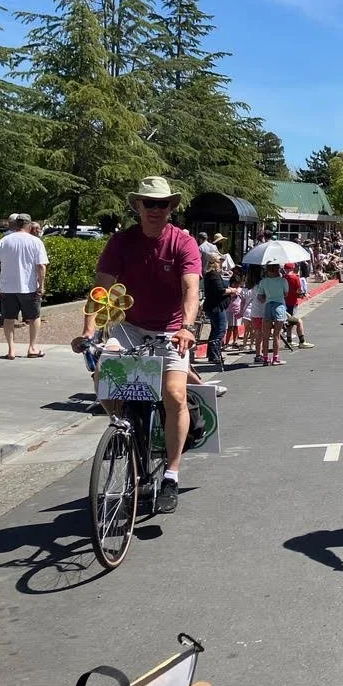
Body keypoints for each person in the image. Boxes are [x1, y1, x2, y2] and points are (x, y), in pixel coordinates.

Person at [83, 176, 201, 513]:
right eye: (149, 203)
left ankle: (172, 475)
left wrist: (187, 327)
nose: (155, 209)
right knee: (103, 377)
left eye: (161, 203)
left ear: (170, 207)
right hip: (129, 326)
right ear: (137, 205)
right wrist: (90, 331)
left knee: (174, 394)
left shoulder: (182, 243)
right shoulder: (121, 242)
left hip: (171, 328)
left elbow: (191, 289)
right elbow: (102, 290)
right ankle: (124, 429)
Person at [0, 213, 50, 360]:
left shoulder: (5, 240)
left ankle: (11, 349)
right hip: (29, 287)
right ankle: (32, 347)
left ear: (15, 224)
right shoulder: (35, 242)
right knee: (34, 317)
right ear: (29, 225)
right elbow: (41, 266)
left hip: (7, 287)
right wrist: (41, 285)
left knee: (8, 318)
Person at [201, 256, 239, 365]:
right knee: (220, 330)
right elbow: (220, 290)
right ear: (214, 263)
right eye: (220, 261)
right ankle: (214, 354)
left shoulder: (214, 275)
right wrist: (231, 290)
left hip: (216, 306)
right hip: (216, 307)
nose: (222, 263)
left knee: (215, 330)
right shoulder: (212, 275)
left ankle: (212, 354)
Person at [256, 262, 289, 365]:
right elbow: (286, 293)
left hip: (268, 305)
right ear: (278, 269)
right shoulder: (283, 280)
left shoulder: (263, 282)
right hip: (279, 306)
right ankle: (275, 358)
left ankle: (265, 358)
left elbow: (260, 297)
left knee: (265, 335)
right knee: (276, 335)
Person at [282, 263, 314, 348]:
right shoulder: (295, 278)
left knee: (289, 323)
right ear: (293, 268)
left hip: (284, 302)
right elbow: (299, 291)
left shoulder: (282, 279)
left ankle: (289, 340)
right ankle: (302, 341)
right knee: (296, 321)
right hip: (293, 302)